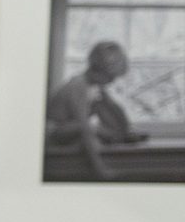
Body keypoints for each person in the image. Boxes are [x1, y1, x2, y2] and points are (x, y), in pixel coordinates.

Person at [44, 40, 146, 181]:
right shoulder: (78, 86)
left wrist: (124, 130)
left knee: (103, 119)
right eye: (111, 77)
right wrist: (100, 170)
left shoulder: (93, 87)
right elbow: (84, 127)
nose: (112, 81)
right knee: (91, 129)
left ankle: (120, 139)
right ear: (100, 71)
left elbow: (117, 117)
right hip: (53, 136)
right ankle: (100, 170)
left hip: (70, 132)